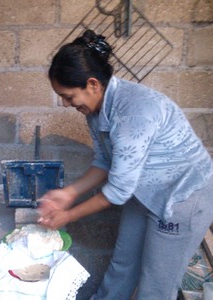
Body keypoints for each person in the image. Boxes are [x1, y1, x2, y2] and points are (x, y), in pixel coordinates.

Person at [37, 29, 213, 300]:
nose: (64, 103)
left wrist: (68, 215)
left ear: (93, 85)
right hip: (144, 191)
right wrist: (67, 194)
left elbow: (118, 191)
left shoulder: (133, 111)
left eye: (69, 96)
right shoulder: (96, 111)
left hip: (182, 198)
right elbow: (104, 161)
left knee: (155, 285)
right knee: (123, 263)